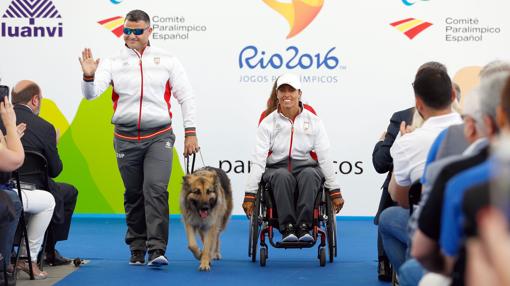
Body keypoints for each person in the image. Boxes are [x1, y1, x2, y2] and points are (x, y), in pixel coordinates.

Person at [79, 9, 199, 266]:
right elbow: (91, 94)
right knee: (134, 193)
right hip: (125, 137)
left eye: (137, 31)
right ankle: (136, 247)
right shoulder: (112, 62)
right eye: (127, 31)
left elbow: (185, 96)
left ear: (149, 32)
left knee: (155, 189)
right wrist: (89, 75)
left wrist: (190, 132)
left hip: (159, 136)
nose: (131, 35)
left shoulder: (167, 59)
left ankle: (157, 249)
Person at [242, 73, 344, 243]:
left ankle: (305, 227)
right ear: (277, 94)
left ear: (299, 93)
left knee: (310, 175)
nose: (287, 94)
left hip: (306, 166)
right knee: (282, 176)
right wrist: (250, 194)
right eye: (283, 90)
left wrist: (334, 190)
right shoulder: (268, 122)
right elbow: (259, 159)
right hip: (276, 168)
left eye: (291, 90)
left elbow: (324, 156)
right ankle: (287, 228)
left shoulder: (314, 121)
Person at [9, 80, 78, 266]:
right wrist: (54, 145)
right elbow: (55, 171)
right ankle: (48, 250)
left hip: (6, 188)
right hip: (36, 191)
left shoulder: (3, 122)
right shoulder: (45, 127)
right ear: (35, 100)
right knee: (68, 192)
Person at [0, 95, 55, 280]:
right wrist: (10, 131)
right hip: (9, 191)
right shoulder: (46, 127)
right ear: (35, 100)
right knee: (48, 200)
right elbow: (13, 162)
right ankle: (26, 258)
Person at [372, 106, 414, 281]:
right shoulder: (462, 122)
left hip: (405, 191)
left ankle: (387, 262)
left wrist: (380, 143)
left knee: (388, 212)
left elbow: (381, 163)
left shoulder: (402, 117)